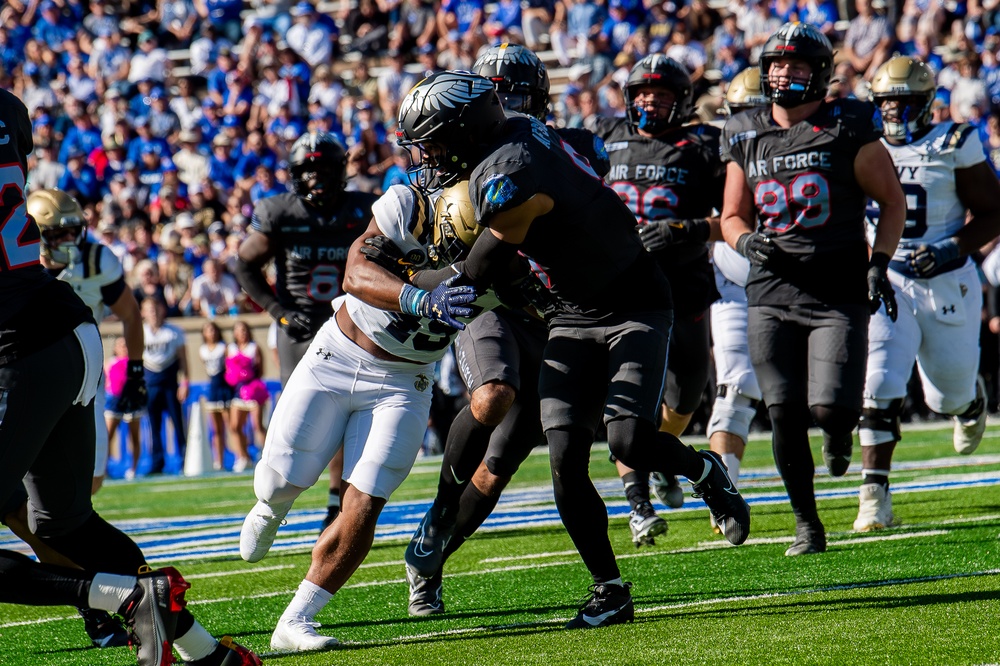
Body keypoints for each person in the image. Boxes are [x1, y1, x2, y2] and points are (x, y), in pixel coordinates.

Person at [396, 70, 751, 628]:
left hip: (633, 302)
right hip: (571, 312)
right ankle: (610, 589)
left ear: (467, 130)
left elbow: (478, 271)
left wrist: (413, 287)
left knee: (630, 439)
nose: (430, 154)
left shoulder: (507, 177)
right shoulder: (519, 128)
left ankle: (704, 472)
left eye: (436, 139)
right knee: (565, 460)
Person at [0, 86, 259, 666]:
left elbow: (129, 308)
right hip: (69, 335)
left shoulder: (99, 261)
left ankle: (121, 598)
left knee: (53, 519)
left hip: (23, 347)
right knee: (61, 521)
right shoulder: (9, 110)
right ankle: (201, 650)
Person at [399, 43, 618, 614]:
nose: (500, 104)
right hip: (490, 299)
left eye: (511, 93)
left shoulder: (559, 146)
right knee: (493, 393)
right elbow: (435, 249)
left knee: (498, 468)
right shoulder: (453, 160)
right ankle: (441, 511)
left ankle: (432, 557)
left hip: (555, 311)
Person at [238, 183, 481, 651]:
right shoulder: (405, 206)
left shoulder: (499, 254)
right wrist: (422, 300)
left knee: (365, 503)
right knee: (281, 480)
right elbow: (355, 274)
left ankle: (295, 622)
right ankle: (272, 508)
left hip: (405, 382)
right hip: (337, 357)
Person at [719, 22, 906, 555]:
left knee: (830, 410)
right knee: (781, 408)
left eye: (797, 65)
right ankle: (808, 524)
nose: (784, 73)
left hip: (836, 290)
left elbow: (891, 201)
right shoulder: (744, 129)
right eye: (777, 64)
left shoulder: (847, 126)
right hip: (771, 290)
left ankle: (839, 429)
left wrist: (880, 263)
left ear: (820, 73)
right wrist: (746, 240)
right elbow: (732, 213)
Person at [855, 56, 1000, 531]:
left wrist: (950, 247)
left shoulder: (954, 141)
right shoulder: (862, 144)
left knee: (946, 398)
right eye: (887, 103)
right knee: (879, 381)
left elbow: (994, 211)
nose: (895, 112)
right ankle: (874, 495)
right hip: (888, 276)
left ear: (925, 102)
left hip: (946, 281)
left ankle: (970, 403)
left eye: (904, 102)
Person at [594, 54, 724, 546]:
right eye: (643, 93)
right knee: (626, 397)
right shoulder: (602, 137)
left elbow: (736, 216)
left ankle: (661, 454)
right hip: (621, 286)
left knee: (687, 392)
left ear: (682, 101)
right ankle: (638, 503)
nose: (650, 101)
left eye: (663, 94)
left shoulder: (702, 145)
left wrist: (685, 229)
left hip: (684, 282)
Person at [234, 130, 378, 532]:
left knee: (349, 412)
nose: (316, 177)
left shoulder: (365, 209)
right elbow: (243, 265)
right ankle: (274, 500)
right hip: (299, 325)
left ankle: (336, 501)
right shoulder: (281, 211)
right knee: (297, 418)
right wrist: (278, 311)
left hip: (350, 322)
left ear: (340, 169)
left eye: (323, 168)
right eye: (307, 169)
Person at [703, 66, 768, 533]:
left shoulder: (812, 144)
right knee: (735, 388)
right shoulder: (709, 155)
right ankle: (725, 491)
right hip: (732, 286)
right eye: (739, 114)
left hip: (802, 282)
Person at [141, 297, 190, 474]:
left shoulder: (174, 332)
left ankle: (186, 459)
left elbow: (183, 359)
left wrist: (184, 382)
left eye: (156, 309)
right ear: (143, 312)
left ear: (162, 310)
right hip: (150, 384)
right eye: (149, 310)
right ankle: (157, 462)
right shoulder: (140, 332)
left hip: (170, 384)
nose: (153, 313)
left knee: (178, 423)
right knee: (154, 425)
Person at [226, 320, 268, 471]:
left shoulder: (254, 347)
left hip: (253, 389)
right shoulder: (231, 348)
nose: (242, 333)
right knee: (235, 426)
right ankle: (243, 456)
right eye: (239, 330)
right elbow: (228, 370)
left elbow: (261, 370)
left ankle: (267, 456)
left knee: (257, 425)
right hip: (238, 390)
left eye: (244, 330)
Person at [106, 337, 146, 481]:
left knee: (134, 436)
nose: (123, 347)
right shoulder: (110, 362)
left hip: (132, 401)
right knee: (108, 435)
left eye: (125, 345)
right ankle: (104, 468)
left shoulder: (134, 363)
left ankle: (133, 468)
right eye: (120, 345)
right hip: (115, 401)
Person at [200, 321, 235, 471]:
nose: (211, 333)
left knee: (231, 426)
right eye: (208, 330)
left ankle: (239, 456)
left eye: (213, 330)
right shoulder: (202, 350)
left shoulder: (224, 348)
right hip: (212, 389)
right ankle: (218, 461)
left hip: (224, 387)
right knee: (216, 430)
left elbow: (229, 367)